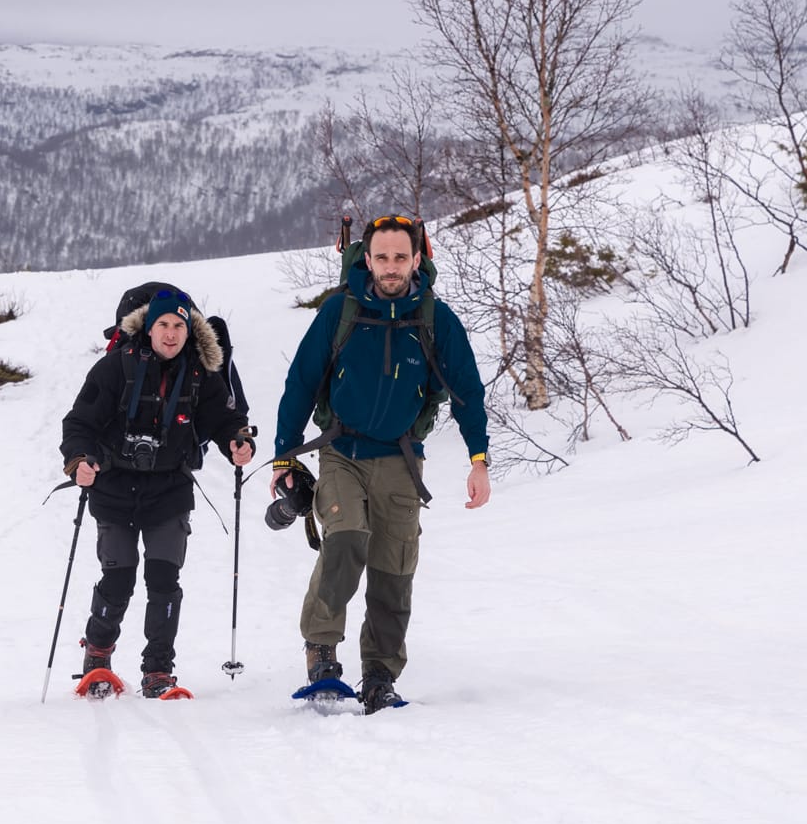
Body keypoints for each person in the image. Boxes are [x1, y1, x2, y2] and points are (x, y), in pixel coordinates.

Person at [271, 215, 491, 712]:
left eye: (400, 257)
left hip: (400, 459)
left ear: (417, 259)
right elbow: (301, 382)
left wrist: (479, 459)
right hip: (341, 453)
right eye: (381, 257)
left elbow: (467, 393)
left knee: (394, 569)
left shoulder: (436, 319)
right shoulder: (340, 312)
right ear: (365, 259)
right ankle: (322, 650)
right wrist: (284, 453)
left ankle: (379, 675)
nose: (390, 268)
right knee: (346, 538)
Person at [61, 288, 255, 698]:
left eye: (179, 326)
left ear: (190, 331)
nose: (171, 334)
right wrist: (78, 458)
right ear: (148, 329)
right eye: (163, 325)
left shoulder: (201, 375)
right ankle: (97, 654)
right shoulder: (115, 368)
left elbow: (224, 418)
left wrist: (237, 440)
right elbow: (79, 421)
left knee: (164, 579)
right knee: (118, 577)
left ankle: (158, 670)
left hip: (169, 489)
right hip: (113, 487)